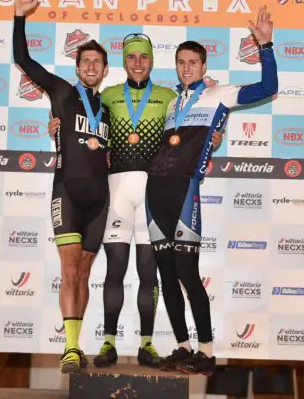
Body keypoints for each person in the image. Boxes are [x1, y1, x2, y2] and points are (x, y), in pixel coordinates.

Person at [47, 34, 224, 368]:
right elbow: (80, 124)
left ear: (152, 61)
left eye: (144, 57)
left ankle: (146, 344)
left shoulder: (171, 97)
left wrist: (216, 135)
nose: (138, 63)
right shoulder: (109, 95)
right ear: (124, 62)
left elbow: (195, 127)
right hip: (114, 190)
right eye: (132, 58)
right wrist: (55, 126)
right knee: (114, 270)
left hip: (153, 190)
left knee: (149, 272)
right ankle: (109, 343)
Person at [146, 5, 278, 375]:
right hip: (155, 190)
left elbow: (269, 88)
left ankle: (206, 350)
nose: (186, 68)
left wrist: (265, 46)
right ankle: (183, 347)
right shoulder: (172, 103)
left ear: (204, 66)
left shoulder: (220, 93)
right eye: (181, 62)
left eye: (193, 62)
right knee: (166, 273)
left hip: (186, 188)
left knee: (188, 270)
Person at [12, 0, 111, 374]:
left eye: (97, 63)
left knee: (84, 272)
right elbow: (24, 59)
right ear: (77, 67)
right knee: (69, 270)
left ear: (105, 70)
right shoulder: (62, 91)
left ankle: (78, 342)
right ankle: (70, 349)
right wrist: (20, 14)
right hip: (66, 192)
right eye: (85, 61)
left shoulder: (112, 105)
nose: (90, 67)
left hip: (100, 200)